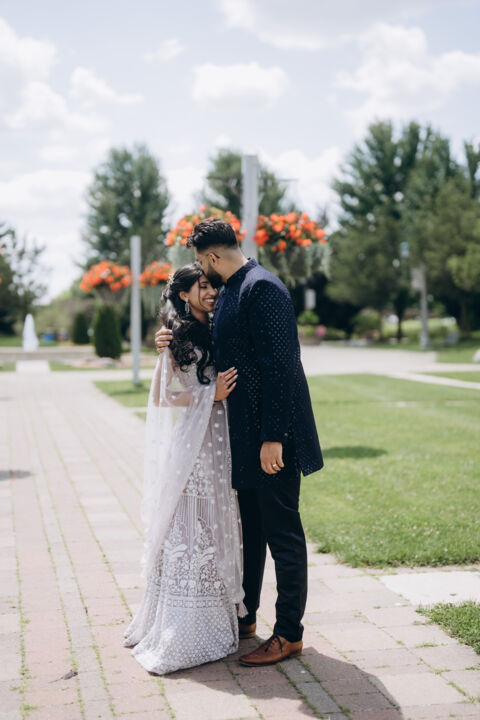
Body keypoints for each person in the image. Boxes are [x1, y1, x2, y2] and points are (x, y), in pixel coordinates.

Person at [155, 219, 323, 667]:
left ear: (211, 256)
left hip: (272, 439)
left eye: (200, 261)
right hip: (242, 439)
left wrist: (273, 439)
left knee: (282, 533)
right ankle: (246, 616)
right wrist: (168, 335)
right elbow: (209, 340)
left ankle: (288, 634)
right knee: (251, 532)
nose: (202, 271)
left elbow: (282, 367)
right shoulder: (231, 289)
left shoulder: (262, 288)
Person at [124, 263, 246, 675]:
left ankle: (216, 617)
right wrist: (210, 394)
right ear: (183, 294)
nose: (211, 292)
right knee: (190, 523)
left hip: (221, 439)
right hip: (194, 442)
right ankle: (181, 622)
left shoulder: (217, 324)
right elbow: (163, 396)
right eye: (203, 286)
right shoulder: (177, 336)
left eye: (213, 286)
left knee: (216, 519)